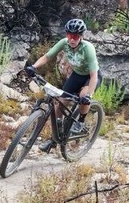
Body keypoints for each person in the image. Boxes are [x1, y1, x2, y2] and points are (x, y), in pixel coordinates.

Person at [24, 18, 99, 147]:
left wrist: (88, 96)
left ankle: (80, 122)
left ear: (81, 36)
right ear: (66, 35)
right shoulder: (63, 43)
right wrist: (34, 67)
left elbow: (94, 76)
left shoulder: (88, 48)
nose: (72, 39)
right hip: (77, 75)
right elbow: (47, 57)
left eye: (76, 36)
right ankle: (56, 138)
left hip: (90, 77)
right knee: (60, 104)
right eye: (70, 35)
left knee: (83, 97)